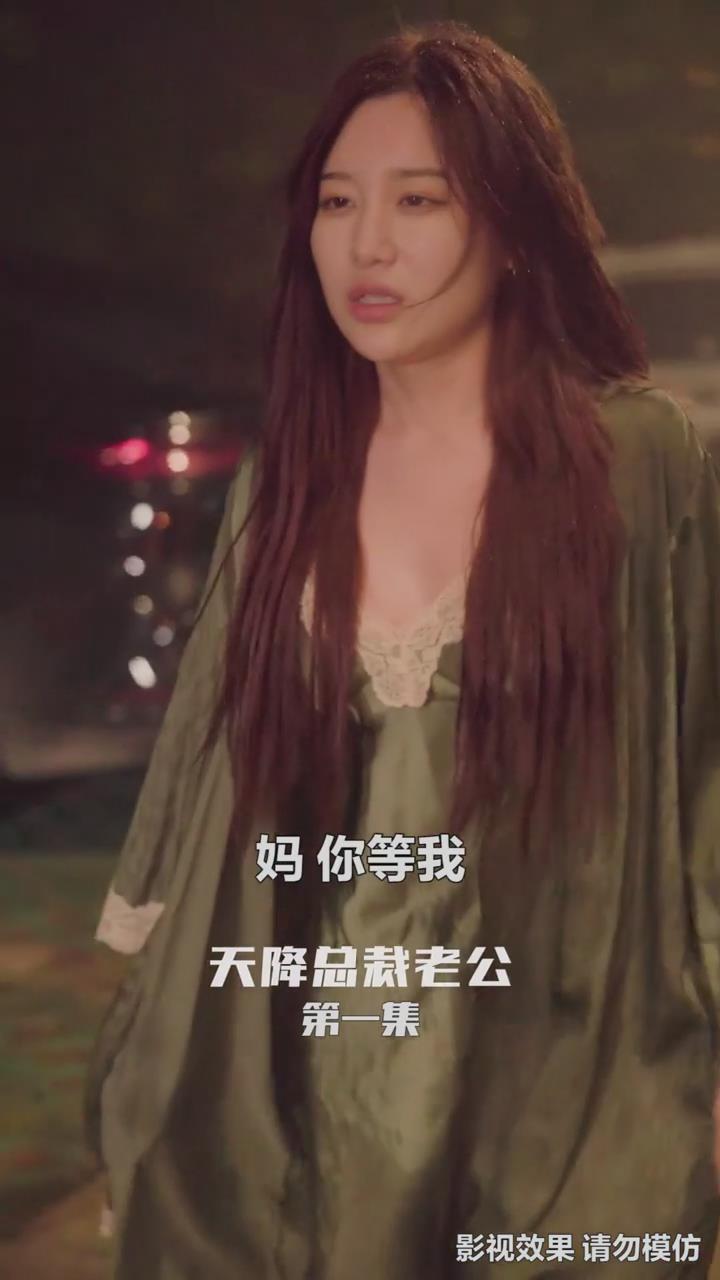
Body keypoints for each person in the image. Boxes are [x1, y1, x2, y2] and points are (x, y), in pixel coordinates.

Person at [83, 17, 720, 1279]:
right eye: (338, 201)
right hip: (321, 1086)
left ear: (517, 226)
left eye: (419, 200)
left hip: (568, 1074)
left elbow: (704, 772)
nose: (367, 243)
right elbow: (205, 786)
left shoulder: (646, 460)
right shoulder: (287, 487)